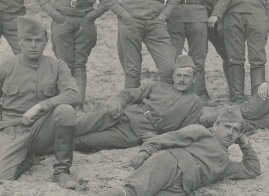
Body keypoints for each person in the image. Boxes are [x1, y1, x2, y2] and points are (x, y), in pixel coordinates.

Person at [53, 105, 261, 196]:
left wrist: (245, 143)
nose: (230, 133)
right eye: (226, 127)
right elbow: (167, 138)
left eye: (236, 130)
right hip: (170, 162)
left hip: (180, 189)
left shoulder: (226, 164)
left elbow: (252, 169)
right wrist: (145, 152)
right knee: (135, 192)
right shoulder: (202, 132)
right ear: (215, 125)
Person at [0, 17, 79, 188]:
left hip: (43, 128)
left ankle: (61, 172)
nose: (33, 45)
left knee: (65, 110)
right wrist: (7, 123)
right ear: (19, 41)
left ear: (45, 42)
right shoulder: (4, 67)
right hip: (14, 131)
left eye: (38, 40)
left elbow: (73, 94)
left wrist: (39, 107)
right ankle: (27, 158)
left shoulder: (57, 66)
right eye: (28, 40)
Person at [73, 55, 203, 153]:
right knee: (78, 126)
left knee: (83, 142)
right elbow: (129, 94)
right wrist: (118, 102)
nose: (181, 80)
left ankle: (60, 146)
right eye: (178, 75)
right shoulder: (158, 86)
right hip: (122, 114)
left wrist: (159, 137)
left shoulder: (195, 103)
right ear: (173, 77)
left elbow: (185, 132)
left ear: (194, 79)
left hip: (135, 134)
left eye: (186, 76)